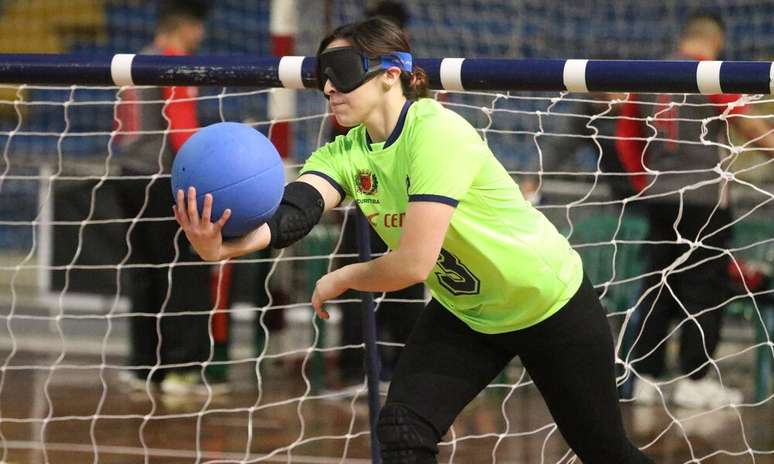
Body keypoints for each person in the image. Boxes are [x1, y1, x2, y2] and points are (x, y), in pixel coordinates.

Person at [174, 17, 653, 463]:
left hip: (548, 303)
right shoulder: (346, 151)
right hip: (469, 312)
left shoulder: (435, 133)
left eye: (340, 71)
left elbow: (413, 264)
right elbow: (297, 210)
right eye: (322, 74)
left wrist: (342, 276)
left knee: (605, 451)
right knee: (402, 431)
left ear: (390, 74)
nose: (327, 87)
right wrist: (224, 247)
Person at [617, 11, 774, 409]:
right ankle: (695, 378)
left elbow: (625, 138)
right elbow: (745, 122)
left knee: (658, 283)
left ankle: (647, 378)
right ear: (717, 42)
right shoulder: (708, 73)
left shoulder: (647, 78)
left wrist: (645, 182)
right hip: (705, 200)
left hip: (659, 197)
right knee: (703, 287)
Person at [115, 0, 227, 396]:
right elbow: (180, 132)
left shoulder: (135, 59)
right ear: (189, 26)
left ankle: (143, 367)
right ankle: (181, 368)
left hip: (127, 175)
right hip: (161, 179)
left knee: (144, 274)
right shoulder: (173, 61)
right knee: (185, 271)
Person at [330, 0, 423, 389]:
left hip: (412, 207)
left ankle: (404, 370)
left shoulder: (420, 98)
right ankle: (357, 369)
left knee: (407, 284)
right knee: (359, 286)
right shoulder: (348, 95)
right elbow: (333, 152)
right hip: (365, 203)